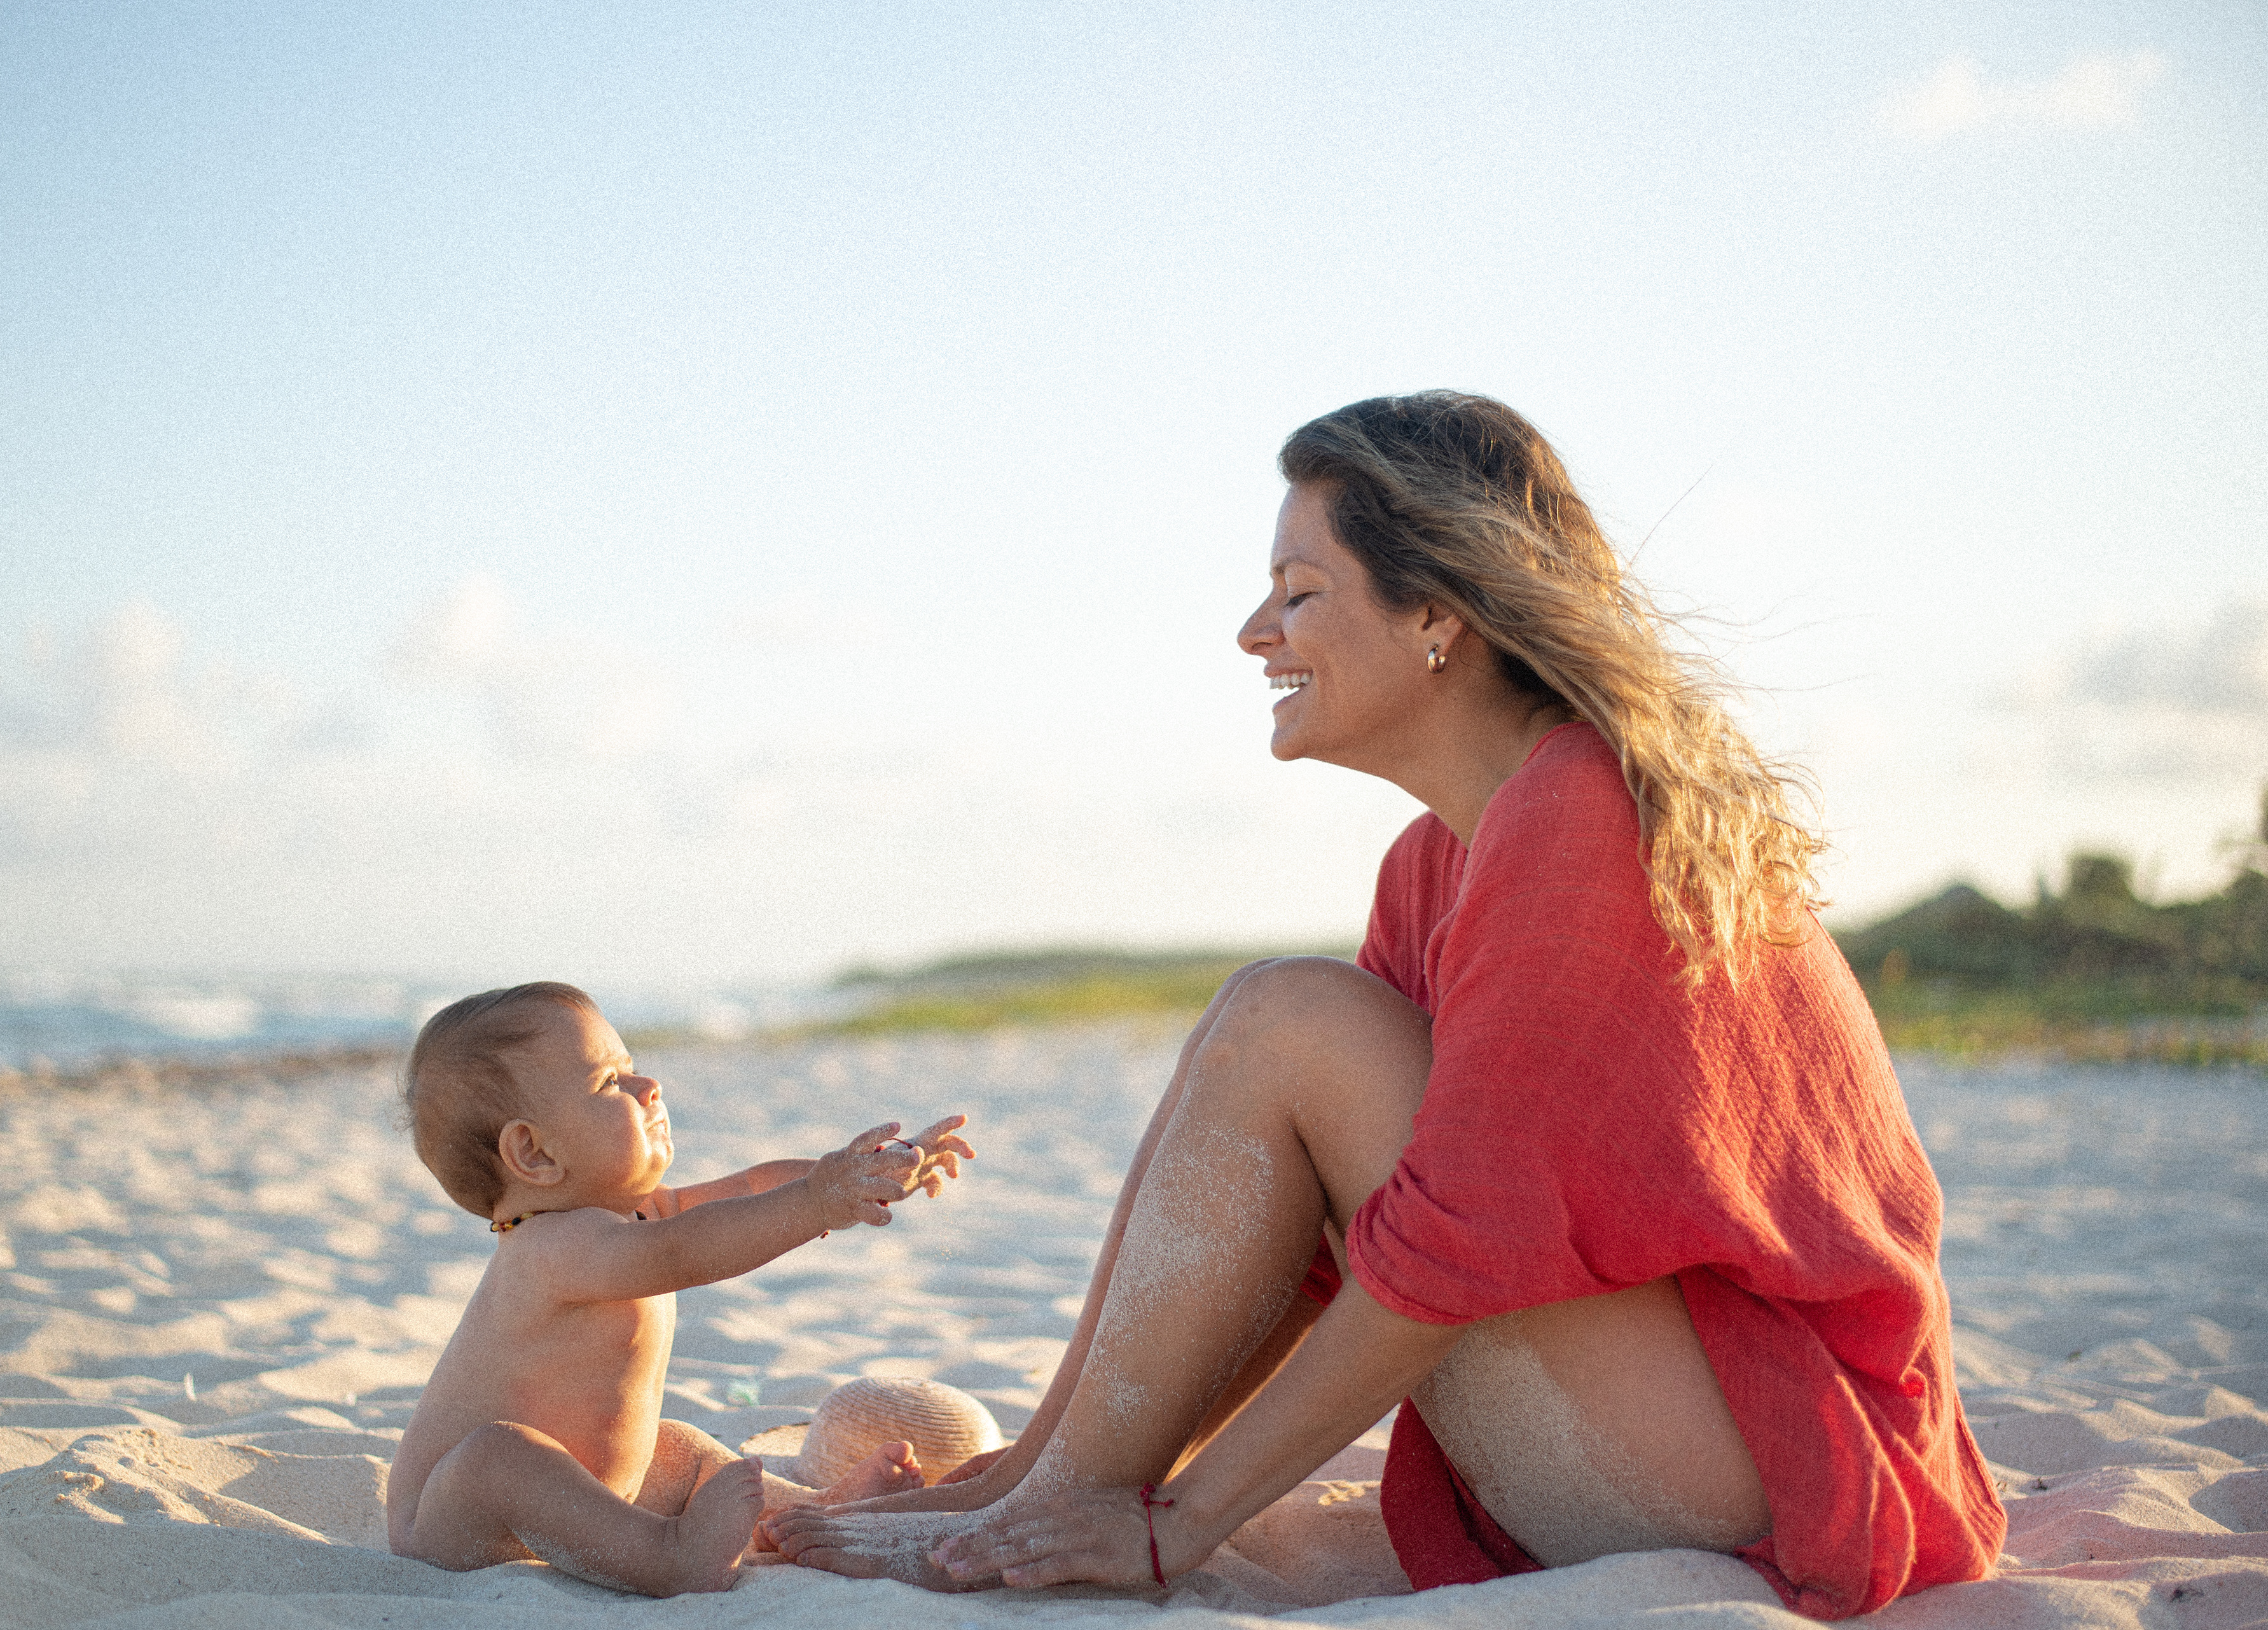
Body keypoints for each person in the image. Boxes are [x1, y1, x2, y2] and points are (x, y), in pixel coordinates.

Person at [766, 393, 2007, 1619]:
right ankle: (1031, 1482)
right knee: (1278, 1025)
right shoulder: (1436, 860)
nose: (1257, 631)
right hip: (1662, 1420)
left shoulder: (1576, 812)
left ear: (1434, 612)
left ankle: (1041, 1492)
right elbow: (1300, 1238)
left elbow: (1457, 1243)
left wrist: (1175, 1529)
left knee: (1286, 1019)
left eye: (1300, 590)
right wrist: (1046, 1473)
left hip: (1776, 1467)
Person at [387, 980, 976, 1596]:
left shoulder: (632, 1218)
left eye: (633, 1069)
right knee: (497, 1454)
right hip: (457, 1518)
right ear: (533, 1152)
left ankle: (812, 1508)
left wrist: (857, 1178)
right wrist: (815, 1202)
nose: (649, 1088)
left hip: (577, 1491)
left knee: (676, 1447)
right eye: (611, 1082)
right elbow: (688, 1249)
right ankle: (670, 1556)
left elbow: (749, 1191)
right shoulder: (552, 1248)